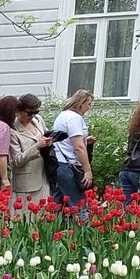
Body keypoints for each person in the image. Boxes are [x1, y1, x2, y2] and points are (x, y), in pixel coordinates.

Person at [50, 90, 95, 218]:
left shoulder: (62, 115)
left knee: (56, 204)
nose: (89, 108)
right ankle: (85, 235)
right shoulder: (75, 118)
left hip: (58, 163)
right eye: (88, 104)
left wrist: (86, 140)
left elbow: (66, 139)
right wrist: (87, 170)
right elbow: (78, 147)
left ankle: (51, 231)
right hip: (69, 166)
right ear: (81, 103)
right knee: (79, 204)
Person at [7, 94, 51, 217]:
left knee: (42, 219)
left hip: (43, 175)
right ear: (18, 111)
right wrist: (36, 146)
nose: (32, 116)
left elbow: (45, 136)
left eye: (36, 112)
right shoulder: (12, 130)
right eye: (29, 113)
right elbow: (15, 161)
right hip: (26, 181)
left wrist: (48, 141)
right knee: (25, 220)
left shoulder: (38, 120)